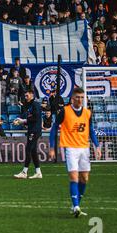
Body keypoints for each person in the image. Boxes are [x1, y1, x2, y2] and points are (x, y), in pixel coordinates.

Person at [48, 87, 102, 218]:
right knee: (74, 177)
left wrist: (97, 146)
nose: (80, 100)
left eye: (82, 97)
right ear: (72, 98)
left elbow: (91, 130)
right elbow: (54, 128)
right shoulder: (65, 111)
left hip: (84, 148)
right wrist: (51, 147)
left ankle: (75, 205)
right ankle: (76, 206)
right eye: (77, 97)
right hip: (70, 148)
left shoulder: (87, 113)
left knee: (85, 178)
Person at [14, 90, 43, 179]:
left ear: (32, 95)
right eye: (25, 96)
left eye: (27, 96)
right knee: (33, 151)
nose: (25, 97)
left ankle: (24, 172)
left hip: (35, 130)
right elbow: (27, 115)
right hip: (32, 130)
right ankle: (38, 172)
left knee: (28, 149)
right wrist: (19, 119)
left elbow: (36, 117)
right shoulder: (30, 105)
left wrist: (23, 121)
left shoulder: (35, 105)